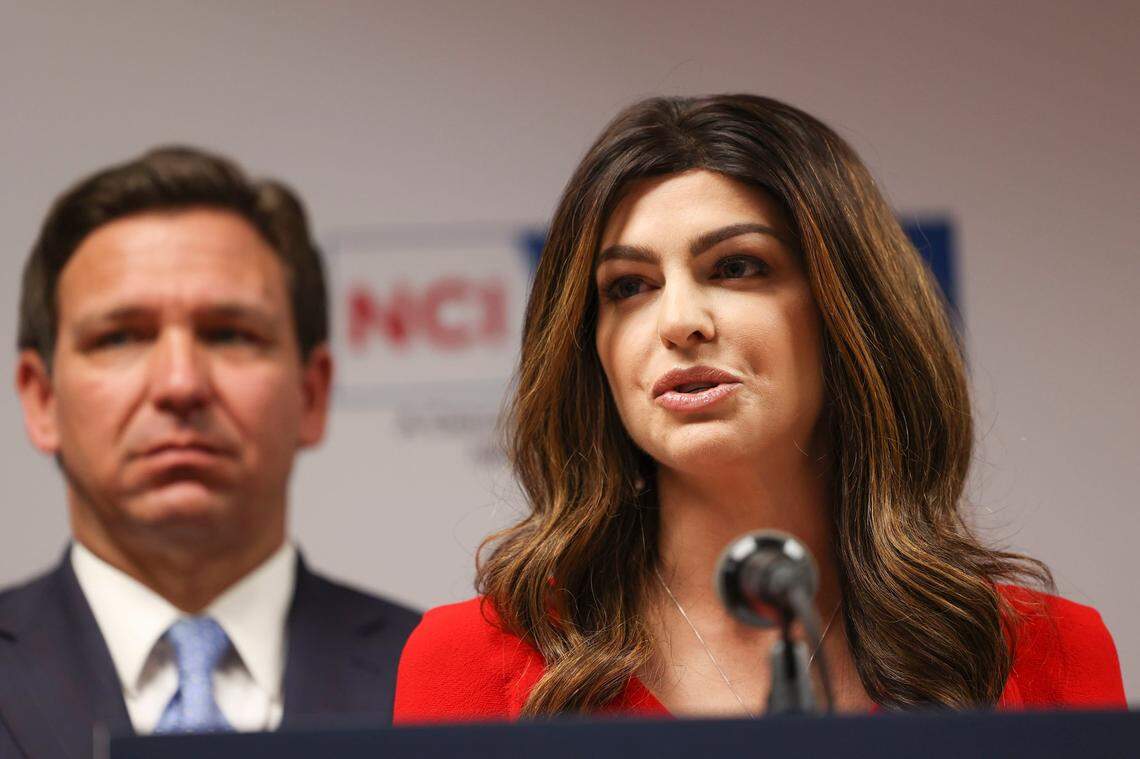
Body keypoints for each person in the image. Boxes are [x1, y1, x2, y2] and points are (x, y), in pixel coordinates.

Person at [394, 94, 1125, 722]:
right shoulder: (473, 663)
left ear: (848, 312)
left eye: (736, 267)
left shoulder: (1044, 652)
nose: (679, 320)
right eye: (629, 286)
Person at [0, 147, 419, 758]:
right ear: (41, 400)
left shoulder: (442, 681)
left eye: (230, 334)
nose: (180, 385)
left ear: (311, 393)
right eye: (120, 337)